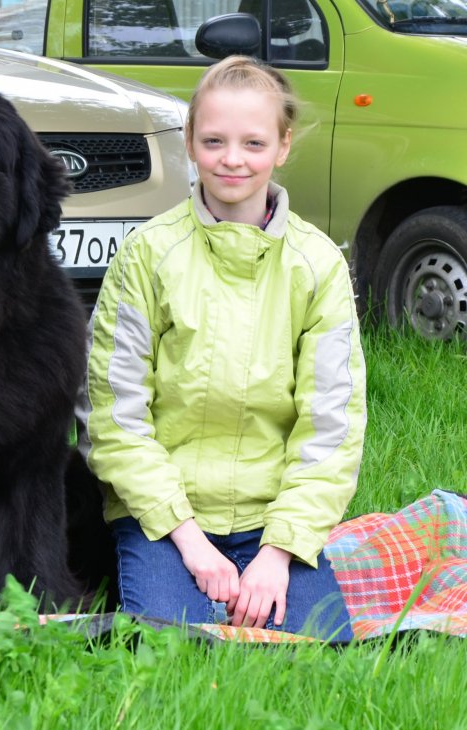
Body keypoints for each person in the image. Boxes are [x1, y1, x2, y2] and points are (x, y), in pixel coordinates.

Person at [77, 55, 366, 641]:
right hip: (163, 517)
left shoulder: (318, 265)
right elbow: (113, 416)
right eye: (214, 141)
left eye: (253, 143)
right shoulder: (146, 255)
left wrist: (279, 552)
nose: (233, 159)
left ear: (283, 146)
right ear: (189, 142)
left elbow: (330, 427)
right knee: (170, 644)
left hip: (272, 518)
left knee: (317, 649)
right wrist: (190, 542)